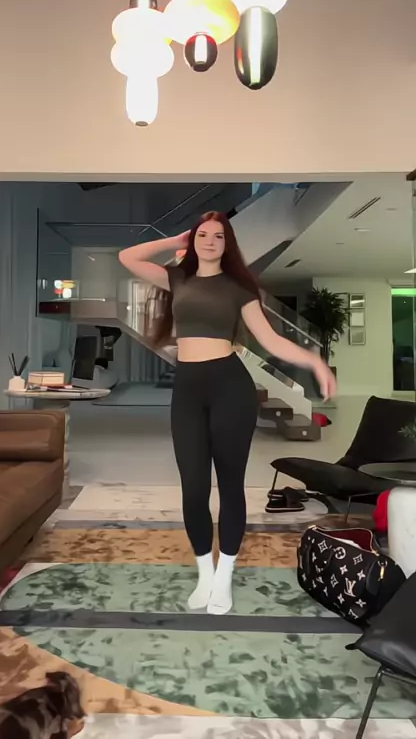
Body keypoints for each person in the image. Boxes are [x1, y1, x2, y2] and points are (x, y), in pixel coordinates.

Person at [119, 211, 336, 614]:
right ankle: (206, 572)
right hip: (188, 389)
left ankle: (225, 576)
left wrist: (315, 362)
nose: (210, 241)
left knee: (230, 485)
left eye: (219, 236)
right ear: (194, 239)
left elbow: (271, 340)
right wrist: (175, 240)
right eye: (203, 234)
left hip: (230, 388)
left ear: (227, 244)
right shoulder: (177, 279)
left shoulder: (238, 288)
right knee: (194, 488)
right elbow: (127, 257)